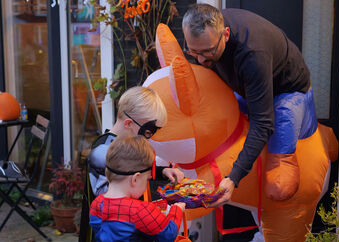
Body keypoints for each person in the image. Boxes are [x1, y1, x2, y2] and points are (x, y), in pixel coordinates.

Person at [182, 4, 318, 204]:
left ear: (225, 34)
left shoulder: (253, 54)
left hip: (287, 90)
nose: (201, 59)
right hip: (247, 84)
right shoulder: (201, 38)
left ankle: (282, 161)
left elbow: (262, 122)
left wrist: (233, 178)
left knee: (278, 171)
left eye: (208, 51)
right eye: (193, 52)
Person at [80, 86, 185, 241]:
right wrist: (149, 214)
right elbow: (113, 206)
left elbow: (132, 168)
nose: (149, 138)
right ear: (129, 123)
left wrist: (162, 171)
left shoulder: (122, 144)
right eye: (148, 132)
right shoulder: (103, 150)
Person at [90, 135, 186, 241]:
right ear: (135, 179)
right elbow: (168, 234)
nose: (146, 183)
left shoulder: (96, 204)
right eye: (146, 179)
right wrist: (176, 210)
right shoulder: (140, 210)